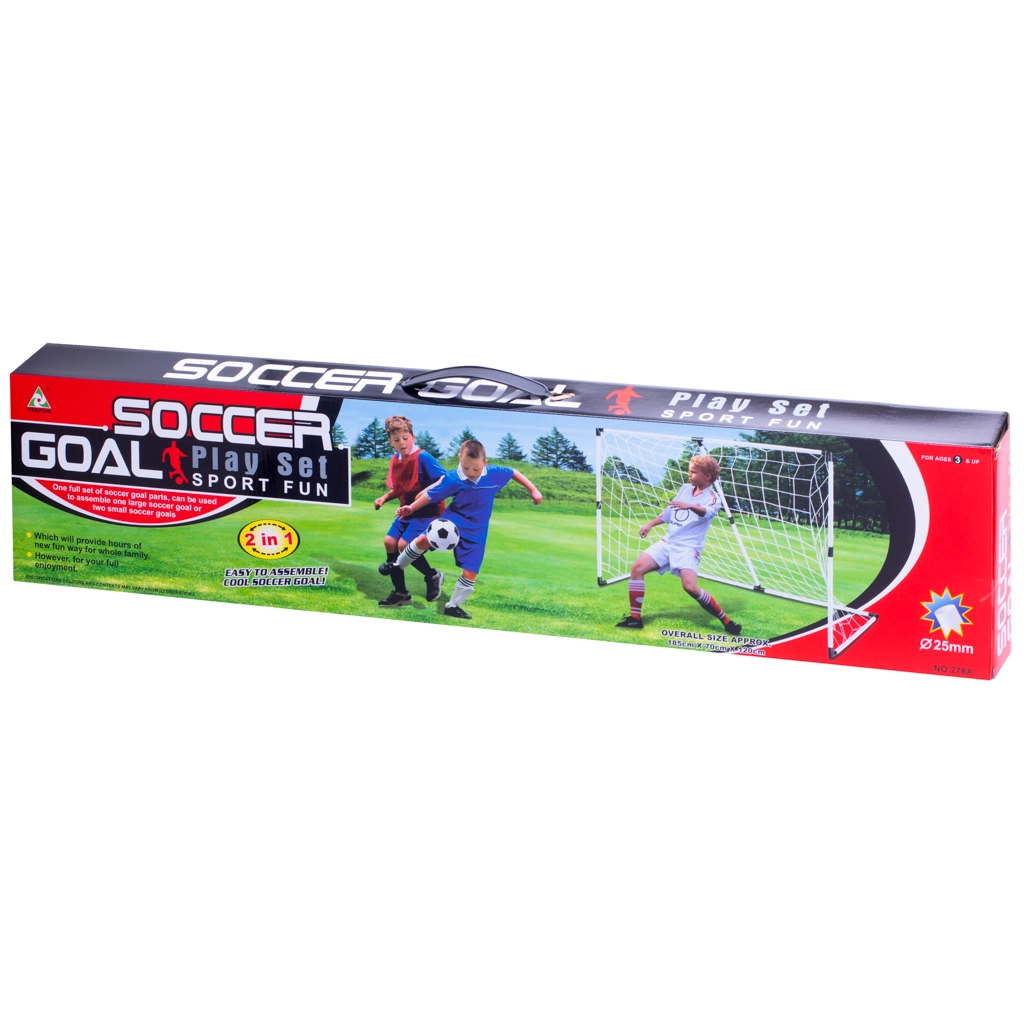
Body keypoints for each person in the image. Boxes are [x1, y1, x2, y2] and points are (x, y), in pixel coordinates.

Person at [379, 439, 542, 620]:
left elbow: (513, 472)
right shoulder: (454, 477)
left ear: (485, 463)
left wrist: (533, 490)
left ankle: (453, 606)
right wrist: (411, 508)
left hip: (477, 530)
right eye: (466, 468)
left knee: (471, 572)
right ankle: (397, 565)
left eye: (476, 469)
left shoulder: (494, 474)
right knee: (423, 539)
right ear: (459, 459)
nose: (471, 473)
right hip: (453, 520)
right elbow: (431, 496)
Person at [615, 454, 742, 635]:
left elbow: (706, 512)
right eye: (689, 471)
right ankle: (635, 619)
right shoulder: (685, 489)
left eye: (693, 472)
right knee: (637, 568)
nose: (689, 475)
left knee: (690, 587)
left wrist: (690, 506)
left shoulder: (713, 498)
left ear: (707, 476)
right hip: (668, 542)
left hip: (688, 548)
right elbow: (668, 514)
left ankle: (727, 622)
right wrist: (650, 524)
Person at [374, 416, 447, 607]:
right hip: (406, 511)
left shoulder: (423, 457)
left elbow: (446, 479)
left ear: (413, 437)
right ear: (390, 442)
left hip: (428, 512)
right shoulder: (395, 460)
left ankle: (432, 575)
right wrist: (384, 498)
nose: (402, 443)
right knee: (390, 542)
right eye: (396, 440)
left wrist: (426, 490)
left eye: (405, 438)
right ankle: (401, 594)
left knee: (404, 545)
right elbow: (399, 488)